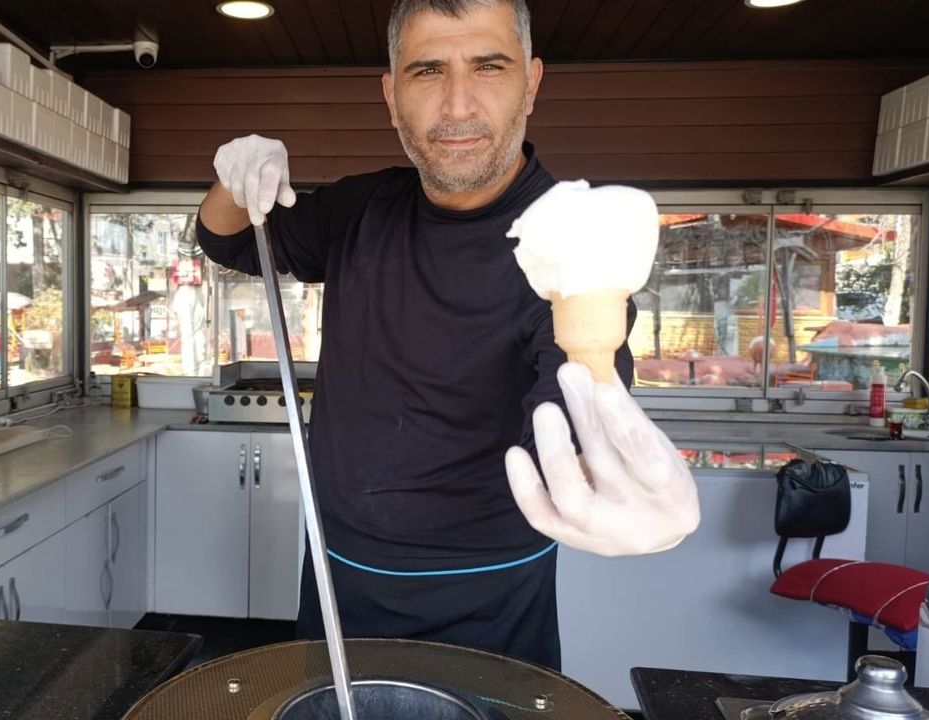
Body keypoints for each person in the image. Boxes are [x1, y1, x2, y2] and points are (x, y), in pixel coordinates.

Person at [197, 0, 697, 669]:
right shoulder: (360, 210)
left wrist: (604, 483)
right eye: (428, 71)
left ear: (532, 82)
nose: (458, 105)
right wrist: (235, 178)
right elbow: (226, 240)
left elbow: (574, 387)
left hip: (489, 590)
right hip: (337, 565)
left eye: (488, 67)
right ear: (391, 94)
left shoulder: (564, 243)